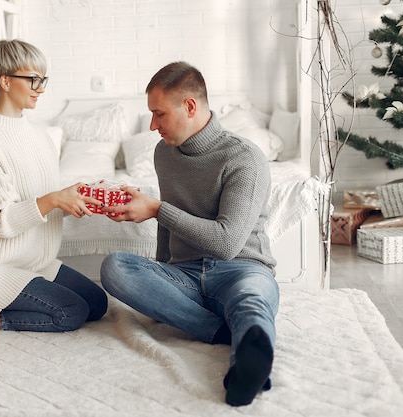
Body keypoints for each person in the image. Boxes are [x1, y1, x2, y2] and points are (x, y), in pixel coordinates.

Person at [99, 61, 279, 407]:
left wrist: (154, 209)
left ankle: (248, 364)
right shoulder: (164, 153)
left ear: (190, 107)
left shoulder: (245, 158)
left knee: (252, 301)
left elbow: (227, 244)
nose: (152, 126)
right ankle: (226, 332)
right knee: (115, 267)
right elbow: (169, 219)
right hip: (184, 273)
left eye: (159, 114)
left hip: (242, 269)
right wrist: (159, 275)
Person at [0, 39, 107, 333]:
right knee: (71, 313)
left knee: (97, 304)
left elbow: (42, 203)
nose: (41, 88)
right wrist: (54, 199)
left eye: (43, 79)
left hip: (35, 261)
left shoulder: (40, 135)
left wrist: (76, 200)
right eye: (33, 79)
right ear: (5, 81)